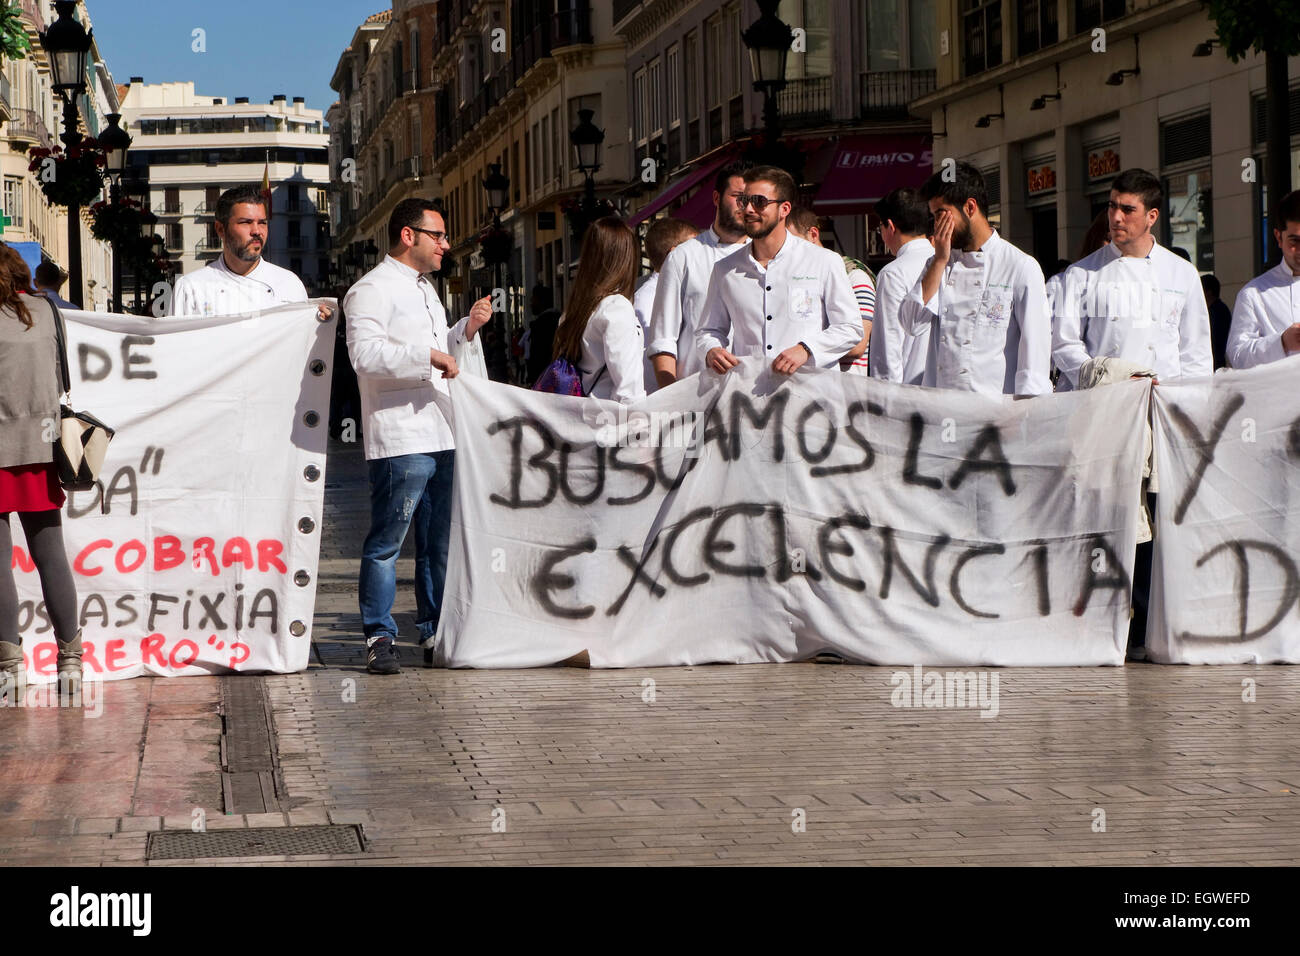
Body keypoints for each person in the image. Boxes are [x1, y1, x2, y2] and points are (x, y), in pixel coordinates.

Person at [343, 198, 492, 674]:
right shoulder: (369, 290)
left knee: (438, 543)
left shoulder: (427, 290)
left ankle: (433, 630)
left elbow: (442, 349)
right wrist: (427, 355)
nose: (446, 244)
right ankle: (380, 636)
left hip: (442, 429)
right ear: (408, 235)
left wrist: (464, 330)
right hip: (401, 436)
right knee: (388, 542)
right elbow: (364, 355)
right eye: (438, 235)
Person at [0, 244, 81, 698]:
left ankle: (9, 670)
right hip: (42, 446)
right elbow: (61, 374)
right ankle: (71, 662)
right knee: (51, 556)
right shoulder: (47, 310)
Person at [1051, 168, 1211, 390]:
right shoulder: (1081, 274)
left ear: (1151, 216)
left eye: (1128, 210)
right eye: (1112, 206)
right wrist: (1103, 377)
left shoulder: (1182, 273)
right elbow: (1064, 344)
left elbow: (1196, 353)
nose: (1116, 217)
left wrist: (1192, 405)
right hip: (1103, 401)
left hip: (1163, 401)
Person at [902, 162, 1052, 396]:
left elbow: (1035, 351)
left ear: (970, 207)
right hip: (943, 407)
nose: (936, 226)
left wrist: (1026, 412)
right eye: (933, 218)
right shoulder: (939, 263)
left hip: (993, 411)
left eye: (941, 215)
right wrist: (940, 260)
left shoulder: (1020, 266)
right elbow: (911, 323)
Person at [698, 165, 861, 377]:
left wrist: (806, 349)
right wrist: (712, 350)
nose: (748, 209)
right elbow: (708, 330)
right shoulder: (725, 269)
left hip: (811, 396)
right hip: (750, 397)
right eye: (744, 201)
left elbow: (850, 328)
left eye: (759, 202)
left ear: (784, 209)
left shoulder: (823, 261)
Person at [648, 160, 751, 387]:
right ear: (716, 198)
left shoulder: (763, 257)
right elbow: (663, 340)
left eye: (751, 199)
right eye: (738, 196)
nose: (746, 206)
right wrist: (672, 401)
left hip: (750, 399)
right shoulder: (683, 257)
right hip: (696, 396)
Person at [167, 184, 323, 318]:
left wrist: (320, 322)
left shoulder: (289, 284)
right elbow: (176, 348)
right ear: (220, 229)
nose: (256, 231)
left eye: (262, 223)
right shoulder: (191, 287)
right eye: (246, 223)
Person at [552, 216, 646, 404]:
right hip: (607, 423)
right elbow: (628, 389)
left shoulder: (575, 310)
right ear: (626, 258)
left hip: (578, 417)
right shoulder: (616, 307)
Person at [786, 207, 875, 375]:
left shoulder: (854, 276)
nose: (788, 250)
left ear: (813, 234)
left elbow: (858, 345)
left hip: (846, 389)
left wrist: (803, 349)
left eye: (794, 241)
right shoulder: (792, 278)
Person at [1225, 189, 1300, 369]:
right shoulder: (1254, 294)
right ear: (1278, 237)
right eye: (1294, 241)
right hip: (1281, 395)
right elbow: (1237, 355)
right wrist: (1281, 342)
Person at [868, 188, 933, 385]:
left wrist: (884, 401)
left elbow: (888, 346)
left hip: (908, 393)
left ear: (890, 226)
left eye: (880, 227)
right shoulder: (949, 263)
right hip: (946, 389)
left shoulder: (893, 273)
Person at [633, 217, 698, 394]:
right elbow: (648, 370)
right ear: (674, 254)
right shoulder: (647, 300)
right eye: (695, 248)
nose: (701, 254)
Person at [524, 285, 561, 384]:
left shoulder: (542, 324)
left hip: (544, 378)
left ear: (542, 301)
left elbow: (538, 355)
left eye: (533, 300)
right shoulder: (558, 319)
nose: (530, 304)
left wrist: (533, 379)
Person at [1201, 274, 1232, 370]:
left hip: (1214, 364)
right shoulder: (1220, 308)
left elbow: (1213, 341)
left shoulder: (1216, 311)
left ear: (1208, 292)